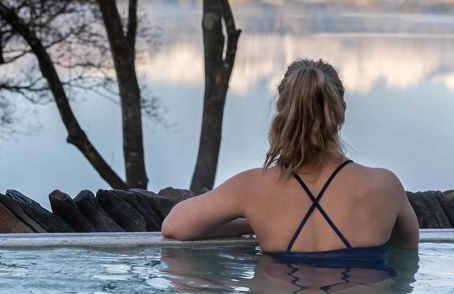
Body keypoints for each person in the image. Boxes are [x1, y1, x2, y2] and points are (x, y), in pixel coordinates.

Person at [162, 59, 419, 268]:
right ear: (341, 110)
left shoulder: (253, 189)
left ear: (282, 111)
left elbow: (174, 227)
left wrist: (251, 221)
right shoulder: (384, 186)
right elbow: (407, 257)